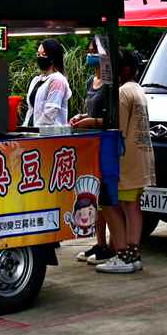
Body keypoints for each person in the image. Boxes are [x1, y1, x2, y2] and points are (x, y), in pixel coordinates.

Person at [97, 50, 155, 275]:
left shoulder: (122, 93)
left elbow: (116, 128)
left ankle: (123, 255)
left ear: (125, 69)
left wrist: (89, 122)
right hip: (139, 158)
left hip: (125, 161)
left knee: (109, 205)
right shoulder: (137, 89)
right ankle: (133, 255)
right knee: (132, 208)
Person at [71, 39, 117, 265]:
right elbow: (89, 110)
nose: (90, 55)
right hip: (89, 144)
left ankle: (112, 245)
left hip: (105, 143)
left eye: (94, 52)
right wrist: (81, 117)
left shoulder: (110, 84)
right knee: (96, 197)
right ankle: (100, 243)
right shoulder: (92, 80)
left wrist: (90, 122)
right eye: (88, 51)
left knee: (107, 198)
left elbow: (110, 119)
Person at [25, 39, 71, 130]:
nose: (40, 57)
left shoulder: (57, 80)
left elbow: (51, 112)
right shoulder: (37, 80)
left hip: (50, 134)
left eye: (44, 54)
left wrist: (36, 129)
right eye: (38, 54)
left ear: (53, 57)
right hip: (33, 131)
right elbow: (31, 110)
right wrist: (25, 127)